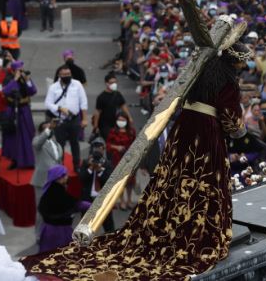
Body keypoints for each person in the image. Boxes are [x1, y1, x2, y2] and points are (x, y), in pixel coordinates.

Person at [22, 40, 251, 280]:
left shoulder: (201, 70)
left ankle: (166, 222)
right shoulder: (228, 83)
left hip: (184, 129)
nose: (244, 65)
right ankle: (194, 230)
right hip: (206, 134)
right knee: (203, 179)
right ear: (236, 60)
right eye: (243, 61)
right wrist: (240, 132)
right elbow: (231, 119)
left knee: (173, 175)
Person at [45, 65, 88, 173]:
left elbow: (83, 102)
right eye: (64, 75)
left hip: (74, 119)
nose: (66, 76)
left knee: (75, 143)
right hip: (59, 120)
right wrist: (59, 108)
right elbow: (48, 103)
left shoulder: (77, 84)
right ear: (59, 75)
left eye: (68, 74)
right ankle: (60, 165)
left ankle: (77, 165)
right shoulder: (53, 87)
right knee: (60, 144)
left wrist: (84, 119)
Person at [37, 165, 90, 253]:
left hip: (47, 230)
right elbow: (76, 204)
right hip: (60, 232)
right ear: (59, 178)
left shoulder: (48, 191)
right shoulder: (58, 192)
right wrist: (94, 205)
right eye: (65, 175)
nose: (67, 177)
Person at [31, 120, 63, 243]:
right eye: (45, 128)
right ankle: (39, 235)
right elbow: (38, 142)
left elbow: (59, 161)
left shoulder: (56, 144)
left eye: (50, 128)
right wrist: (47, 129)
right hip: (42, 181)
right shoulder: (37, 142)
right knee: (41, 210)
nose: (49, 130)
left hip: (56, 182)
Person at [1, 61, 37, 169]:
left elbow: (33, 91)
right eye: (18, 70)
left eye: (21, 69)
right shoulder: (8, 79)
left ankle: (29, 161)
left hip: (25, 110)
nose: (21, 72)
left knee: (27, 135)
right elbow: (5, 91)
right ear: (13, 70)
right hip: (12, 110)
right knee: (13, 136)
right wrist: (15, 79)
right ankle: (15, 159)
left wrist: (28, 80)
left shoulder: (24, 78)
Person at [79, 142, 115, 232]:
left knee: (108, 226)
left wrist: (100, 171)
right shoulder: (86, 162)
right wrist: (90, 168)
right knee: (84, 226)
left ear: (103, 150)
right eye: (95, 148)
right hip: (87, 198)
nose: (97, 150)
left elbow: (109, 181)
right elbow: (81, 178)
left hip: (102, 199)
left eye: (100, 148)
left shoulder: (107, 164)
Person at [93, 72, 132, 139]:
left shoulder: (118, 94)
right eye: (111, 83)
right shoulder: (101, 97)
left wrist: (129, 117)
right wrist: (95, 126)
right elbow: (97, 112)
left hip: (117, 123)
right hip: (105, 125)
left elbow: (123, 106)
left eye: (115, 82)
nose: (114, 84)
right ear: (106, 83)